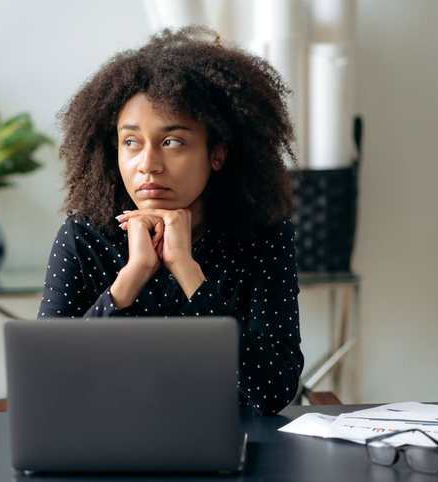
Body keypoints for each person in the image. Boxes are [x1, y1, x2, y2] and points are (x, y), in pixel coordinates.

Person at [38, 26, 303, 415]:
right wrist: (129, 279)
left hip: (227, 447)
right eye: (131, 142)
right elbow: (46, 383)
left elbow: (273, 391)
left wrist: (189, 273)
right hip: (106, 446)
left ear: (218, 154)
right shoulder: (83, 237)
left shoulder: (264, 237)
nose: (147, 164)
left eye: (172, 141)